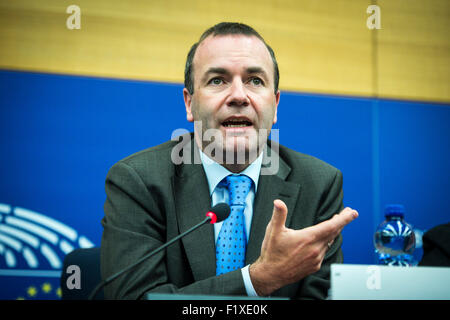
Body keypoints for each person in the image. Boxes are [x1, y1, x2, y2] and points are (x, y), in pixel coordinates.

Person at [100, 22, 358, 300]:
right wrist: (257, 280)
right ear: (189, 104)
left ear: (275, 105)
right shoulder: (138, 180)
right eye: (217, 80)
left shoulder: (318, 184)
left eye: (255, 81)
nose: (238, 96)